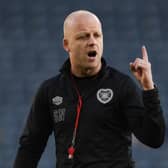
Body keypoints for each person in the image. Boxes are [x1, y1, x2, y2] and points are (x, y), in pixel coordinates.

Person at [14, 10, 165, 168]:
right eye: (83, 36)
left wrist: (149, 89)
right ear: (67, 44)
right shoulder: (50, 91)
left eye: (97, 35)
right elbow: (30, 147)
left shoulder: (121, 86)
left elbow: (154, 139)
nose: (92, 42)